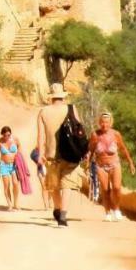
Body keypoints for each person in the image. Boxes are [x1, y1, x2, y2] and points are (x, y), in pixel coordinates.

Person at [35, 82, 85, 227]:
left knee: (54, 185)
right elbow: (79, 131)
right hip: (70, 152)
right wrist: (83, 150)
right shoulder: (71, 108)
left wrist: (40, 154)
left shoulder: (43, 112)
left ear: (51, 96)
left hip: (51, 155)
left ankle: (57, 208)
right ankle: (63, 214)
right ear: (63, 96)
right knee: (67, 185)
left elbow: (41, 136)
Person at [87, 111, 136, 222]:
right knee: (105, 189)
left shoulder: (116, 134)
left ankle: (116, 209)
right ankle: (108, 212)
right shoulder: (95, 135)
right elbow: (91, 150)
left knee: (117, 188)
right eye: (102, 122)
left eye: (107, 122)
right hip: (100, 165)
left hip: (115, 164)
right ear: (99, 123)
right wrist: (88, 164)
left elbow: (123, 149)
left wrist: (130, 163)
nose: (105, 125)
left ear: (111, 123)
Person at [0, 126, 23, 210]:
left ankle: (16, 203)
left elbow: (20, 148)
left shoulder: (15, 139)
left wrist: (20, 161)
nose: (7, 137)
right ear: (2, 135)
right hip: (4, 165)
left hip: (14, 165)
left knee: (16, 184)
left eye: (9, 135)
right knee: (6, 185)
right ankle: (9, 204)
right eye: (5, 135)